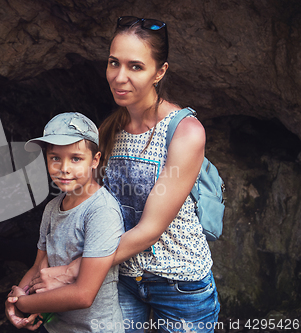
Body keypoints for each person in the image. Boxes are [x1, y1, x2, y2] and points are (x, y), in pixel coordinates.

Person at [27, 16, 220, 333]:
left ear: (160, 72)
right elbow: (85, 208)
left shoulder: (185, 132)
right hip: (120, 277)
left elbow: (150, 230)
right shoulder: (107, 131)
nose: (119, 77)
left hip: (179, 285)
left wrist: (69, 273)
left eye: (135, 66)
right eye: (113, 63)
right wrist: (37, 283)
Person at [5, 112, 125, 332]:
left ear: (95, 160)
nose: (64, 168)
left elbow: (83, 295)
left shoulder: (101, 211)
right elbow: (37, 267)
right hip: (58, 326)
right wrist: (15, 299)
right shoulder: (52, 208)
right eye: (55, 158)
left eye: (76, 158)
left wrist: (25, 302)